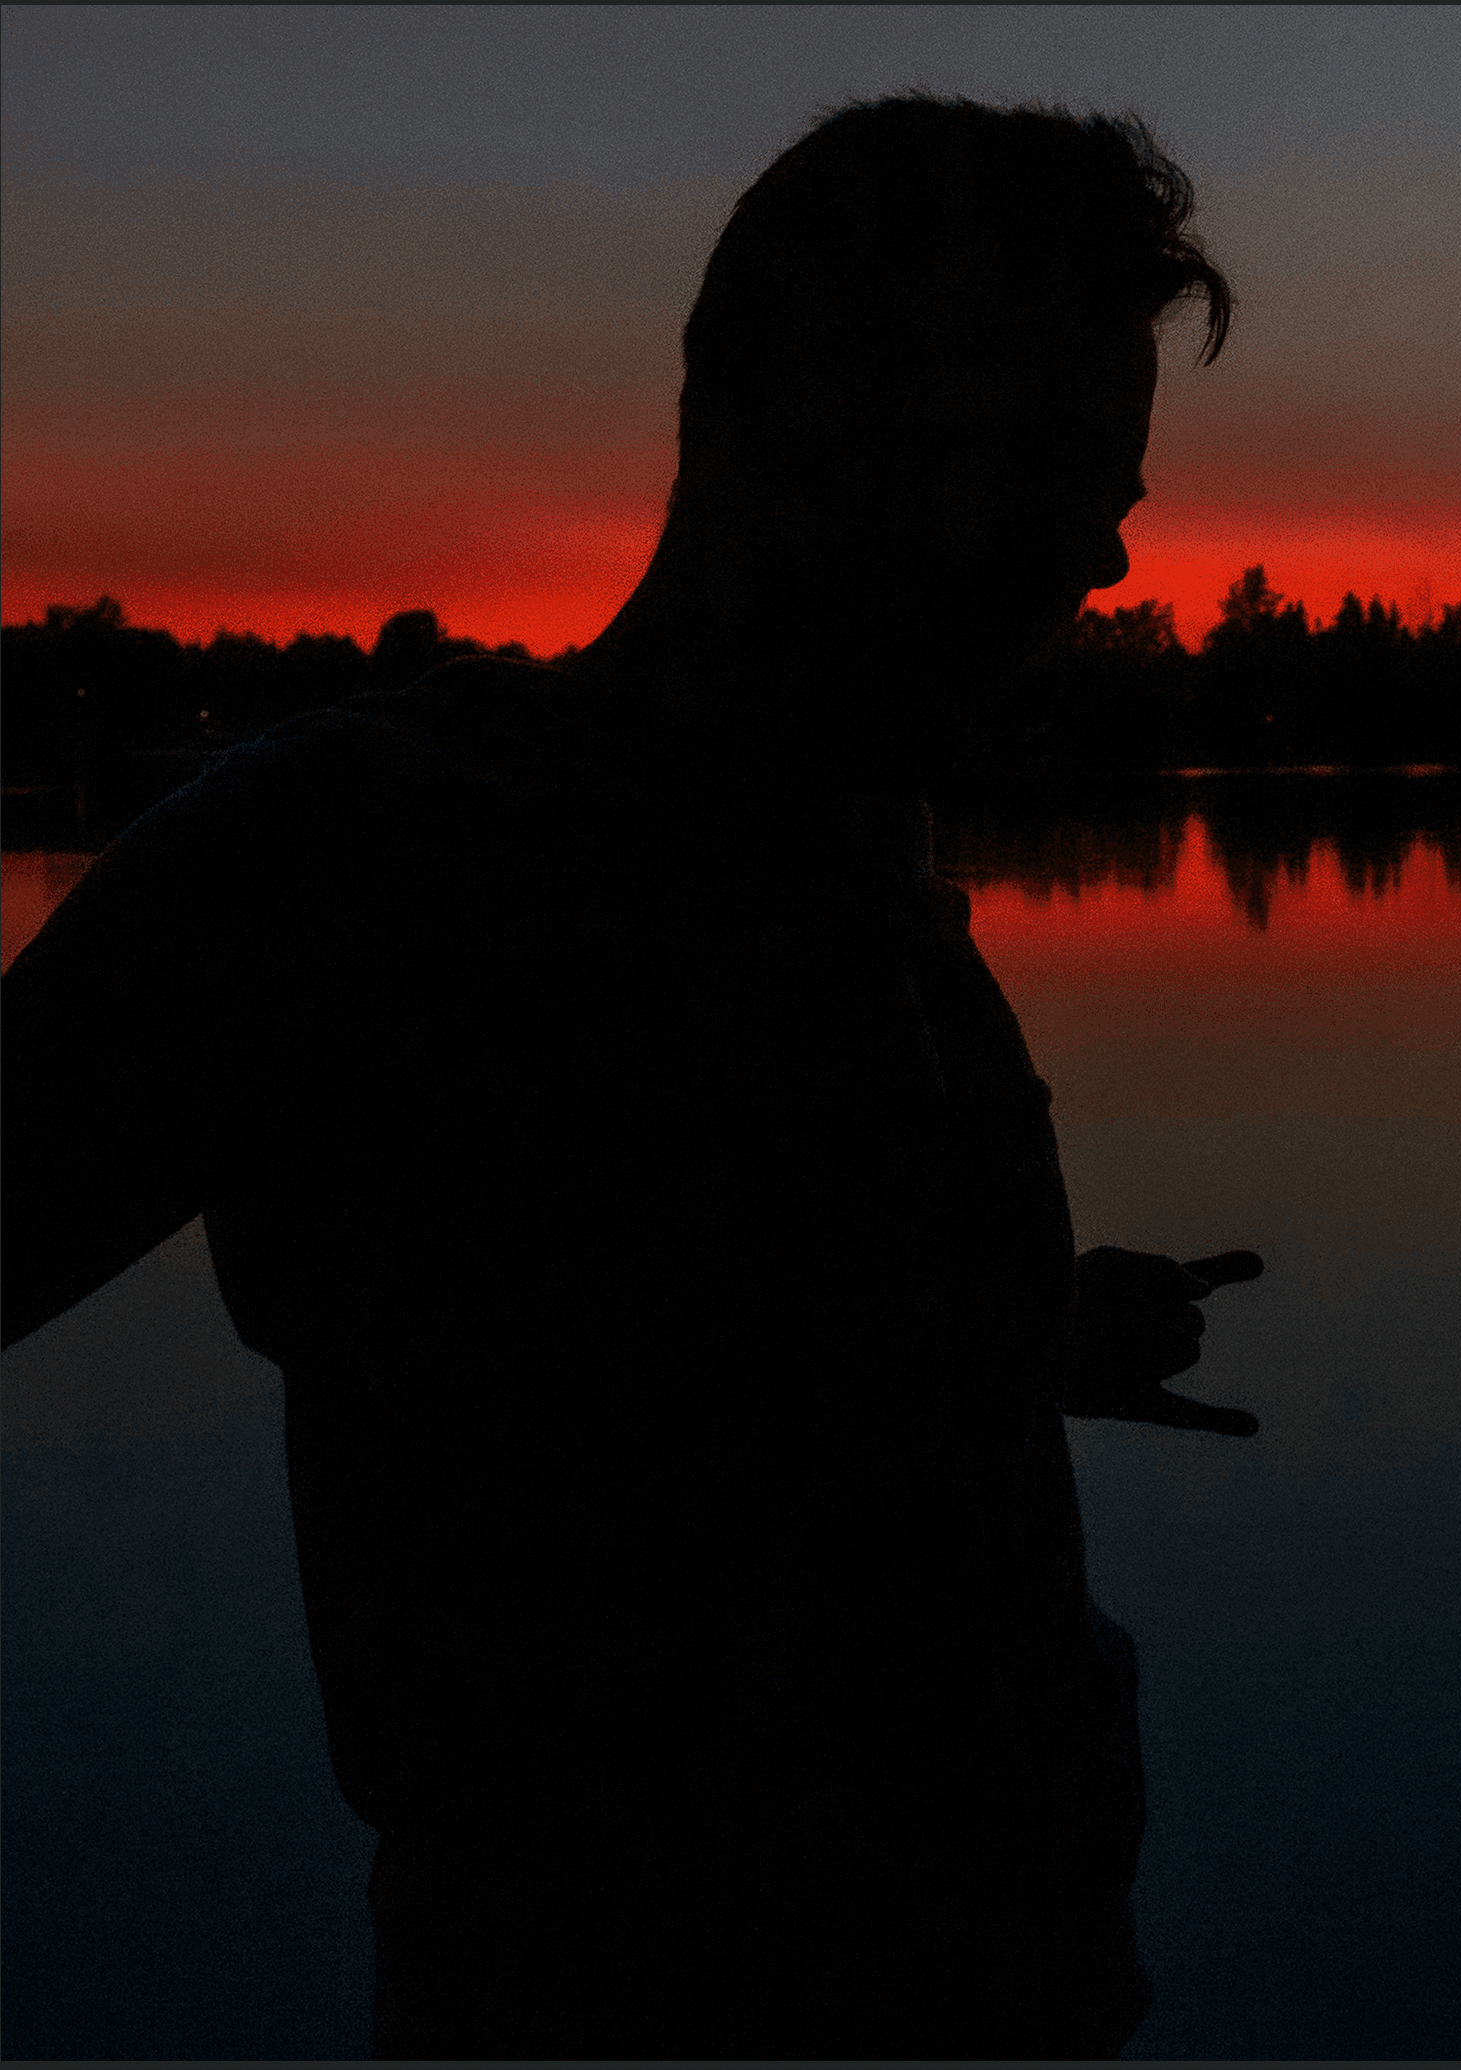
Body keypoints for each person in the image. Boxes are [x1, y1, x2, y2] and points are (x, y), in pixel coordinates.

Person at [1, 94, 1256, 2058]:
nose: (1098, 558)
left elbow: (716, 1350)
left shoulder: (879, 894)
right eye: (1048, 478)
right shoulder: (366, 861)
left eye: (1114, 491)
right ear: (809, 430)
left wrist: (1032, 1338)